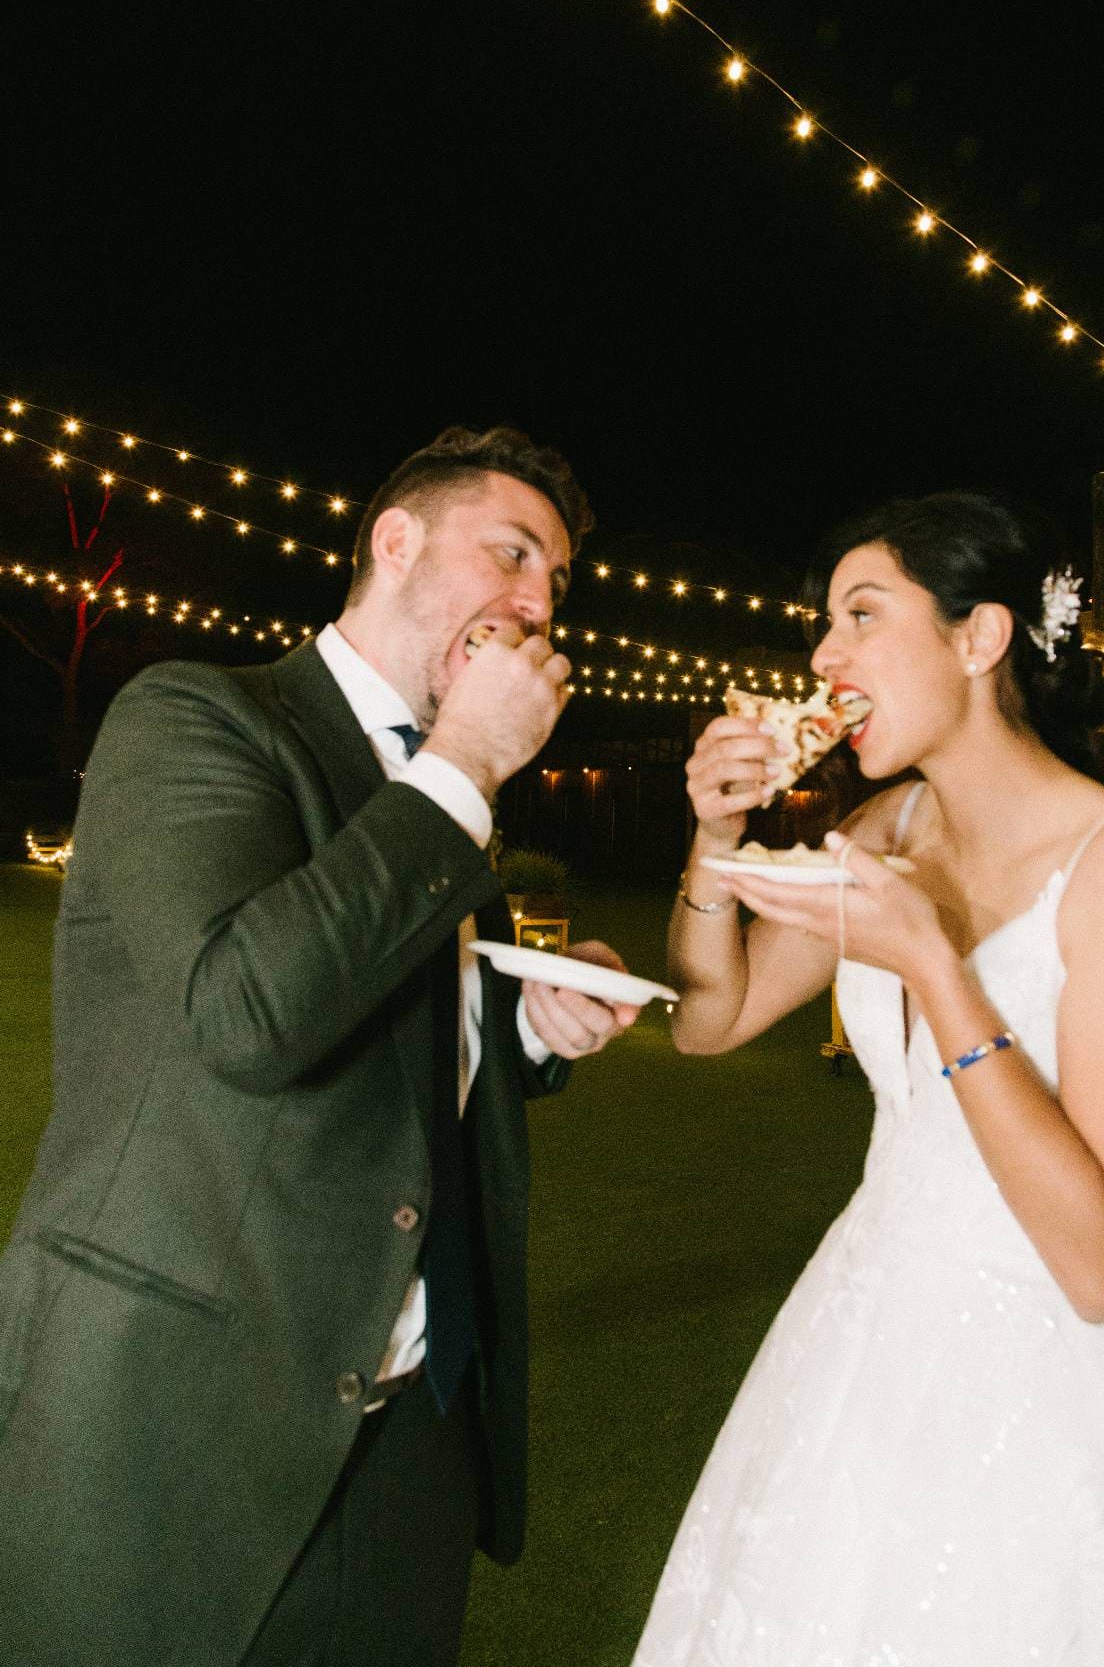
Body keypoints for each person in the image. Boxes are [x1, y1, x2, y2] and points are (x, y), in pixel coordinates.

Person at [634, 490, 1104, 1666]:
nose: (822, 653)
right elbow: (715, 1016)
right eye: (823, 623)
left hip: (1051, 1368)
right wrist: (716, 836)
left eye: (860, 613)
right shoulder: (882, 827)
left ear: (979, 637)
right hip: (861, 1331)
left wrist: (930, 963)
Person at [0, 424, 640, 1667]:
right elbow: (247, 1010)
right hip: (177, 1407)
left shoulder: (444, 787)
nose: (536, 603)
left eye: (555, 582)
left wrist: (528, 1021)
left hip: (409, 1430)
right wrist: (463, 767)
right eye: (511, 553)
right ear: (393, 542)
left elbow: (397, 1020)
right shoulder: (201, 716)